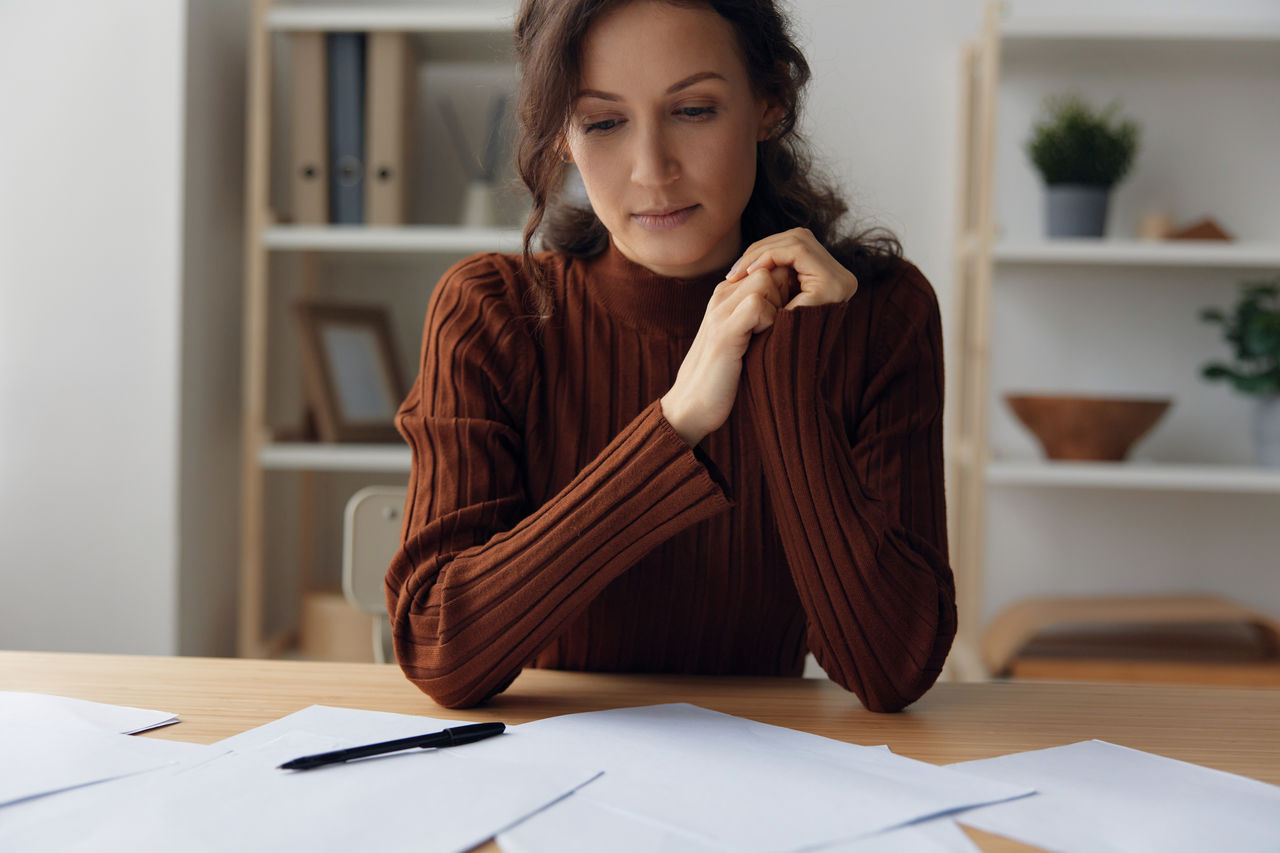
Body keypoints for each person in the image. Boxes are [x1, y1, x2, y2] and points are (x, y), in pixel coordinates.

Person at [385, 0, 956, 712]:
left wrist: (786, 371)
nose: (652, 170)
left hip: (774, 778)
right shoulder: (493, 313)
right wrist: (676, 423)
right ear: (562, 133)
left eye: (693, 110)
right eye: (602, 121)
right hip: (549, 775)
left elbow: (892, 667)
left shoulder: (877, 316)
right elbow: (441, 646)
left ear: (769, 99)